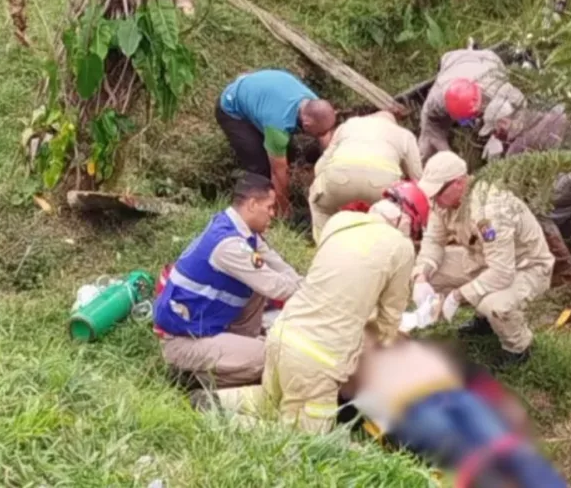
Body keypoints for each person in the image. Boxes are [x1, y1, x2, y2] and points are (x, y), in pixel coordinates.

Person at [206, 181, 431, 434]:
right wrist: (392, 344)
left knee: (273, 401)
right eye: (413, 232)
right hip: (318, 358)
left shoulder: (339, 222)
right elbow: (390, 317)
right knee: (305, 443)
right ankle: (214, 422)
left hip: (282, 334)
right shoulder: (400, 247)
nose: (410, 238)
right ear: (404, 220)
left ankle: (213, 402)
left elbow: (339, 286)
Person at [349, 336, 567, 488]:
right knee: (474, 461)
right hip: (413, 409)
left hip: (452, 395)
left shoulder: (406, 344)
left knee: (509, 452)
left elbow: (466, 371)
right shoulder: (347, 367)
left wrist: (498, 399)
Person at [153, 173, 303, 388]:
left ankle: (238, 350)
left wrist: (305, 283)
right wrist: (317, 291)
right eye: (269, 207)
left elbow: (279, 267)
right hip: (185, 342)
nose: (272, 214)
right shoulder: (229, 245)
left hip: (205, 326)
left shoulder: (239, 229)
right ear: (252, 204)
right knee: (272, 356)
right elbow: (276, 287)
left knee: (257, 284)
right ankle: (198, 380)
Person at [413, 151, 555, 366]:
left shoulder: (491, 210)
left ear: (459, 183)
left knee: (495, 305)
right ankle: (483, 323)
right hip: (481, 259)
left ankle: (518, 349)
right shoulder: (441, 203)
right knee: (430, 274)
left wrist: (458, 296)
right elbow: (433, 241)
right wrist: (421, 275)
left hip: (524, 268)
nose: (433, 199)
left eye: (438, 192)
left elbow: (502, 273)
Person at [485, 103, 571, 282]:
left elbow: (514, 188)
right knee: (560, 207)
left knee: (540, 211)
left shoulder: (519, 146)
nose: (495, 136)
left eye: (495, 130)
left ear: (504, 121)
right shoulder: (546, 115)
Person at [215, 69, 336, 217]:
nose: (322, 137)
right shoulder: (278, 125)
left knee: (289, 153)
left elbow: (325, 138)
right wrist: (284, 210)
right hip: (232, 109)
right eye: (318, 133)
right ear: (306, 124)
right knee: (260, 167)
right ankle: (252, 209)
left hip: (261, 92)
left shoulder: (315, 106)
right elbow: (278, 173)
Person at [308, 109, 423, 242]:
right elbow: (418, 179)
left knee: (319, 203)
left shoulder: (348, 125)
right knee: (387, 218)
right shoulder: (405, 135)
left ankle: (325, 246)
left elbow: (319, 168)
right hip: (383, 186)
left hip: (339, 179)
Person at [419, 48, 526, 162]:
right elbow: (430, 127)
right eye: (463, 121)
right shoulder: (437, 97)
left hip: (488, 60)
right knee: (429, 142)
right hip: (453, 60)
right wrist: (446, 155)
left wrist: (497, 138)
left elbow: (520, 107)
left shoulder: (496, 88)